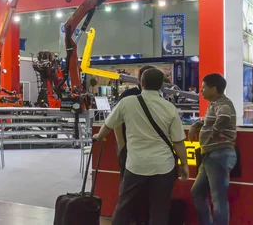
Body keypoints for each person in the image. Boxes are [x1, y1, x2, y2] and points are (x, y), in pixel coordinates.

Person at [93, 68, 189, 225]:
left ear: (141, 83)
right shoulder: (169, 107)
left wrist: (99, 136)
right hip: (163, 167)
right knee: (159, 209)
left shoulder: (127, 102)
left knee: (124, 206)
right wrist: (184, 164)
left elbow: (108, 125)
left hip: (135, 165)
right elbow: (178, 141)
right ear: (162, 86)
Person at [189, 73, 237, 225]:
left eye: (203, 88)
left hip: (219, 154)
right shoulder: (214, 104)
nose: (201, 91)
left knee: (218, 198)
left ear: (214, 88)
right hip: (211, 156)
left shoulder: (223, 104)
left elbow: (224, 117)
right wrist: (197, 125)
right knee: (197, 191)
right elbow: (209, 121)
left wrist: (212, 137)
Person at [115, 65, 155, 179]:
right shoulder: (127, 96)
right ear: (140, 80)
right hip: (128, 146)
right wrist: (122, 146)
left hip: (148, 148)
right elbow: (116, 122)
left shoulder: (157, 97)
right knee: (128, 181)